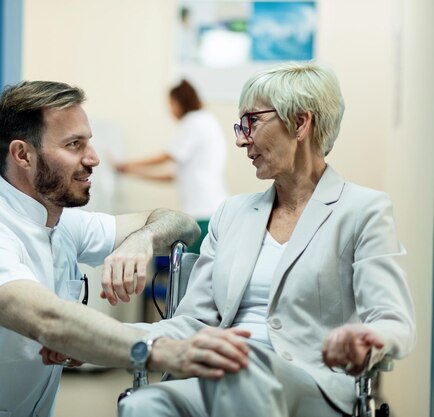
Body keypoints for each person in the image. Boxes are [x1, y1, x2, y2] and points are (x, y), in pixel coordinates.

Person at [0, 80, 249, 417]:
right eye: (74, 145)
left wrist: (141, 239)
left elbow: (181, 223)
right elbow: (48, 320)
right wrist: (163, 351)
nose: (93, 158)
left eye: (89, 142)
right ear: (22, 154)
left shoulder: (66, 226)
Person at [117, 62, 416, 417]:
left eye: (252, 121)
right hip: (218, 374)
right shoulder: (231, 214)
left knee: (241, 367)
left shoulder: (363, 210)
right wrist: (103, 338)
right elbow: (192, 322)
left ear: (301, 122)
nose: (242, 138)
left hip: (310, 384)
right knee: (144, 404)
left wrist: (368, 339)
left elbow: (393, 320)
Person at [114, 79, 227, 252]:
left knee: (193, 269)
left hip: (204, 211)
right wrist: (131, 172)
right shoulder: (205, 122)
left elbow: (168, 156)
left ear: (180, 102)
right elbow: (172, 176)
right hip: (209, 209)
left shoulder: (195, 121)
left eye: (171, 104)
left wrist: (127, 165)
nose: (170, 109)